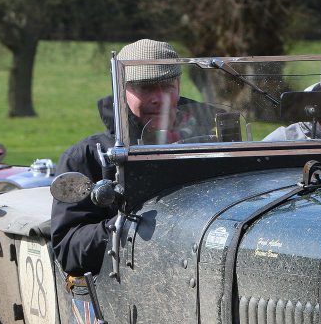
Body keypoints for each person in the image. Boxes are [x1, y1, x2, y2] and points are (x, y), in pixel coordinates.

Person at [51, 38, 215, 276]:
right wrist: (127, 227)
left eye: (167, 85)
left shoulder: (215, 144)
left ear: (178, 85)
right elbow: (68, 249)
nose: (159, 97)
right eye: (145, 87)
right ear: (121, 89)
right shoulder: (88, 157)